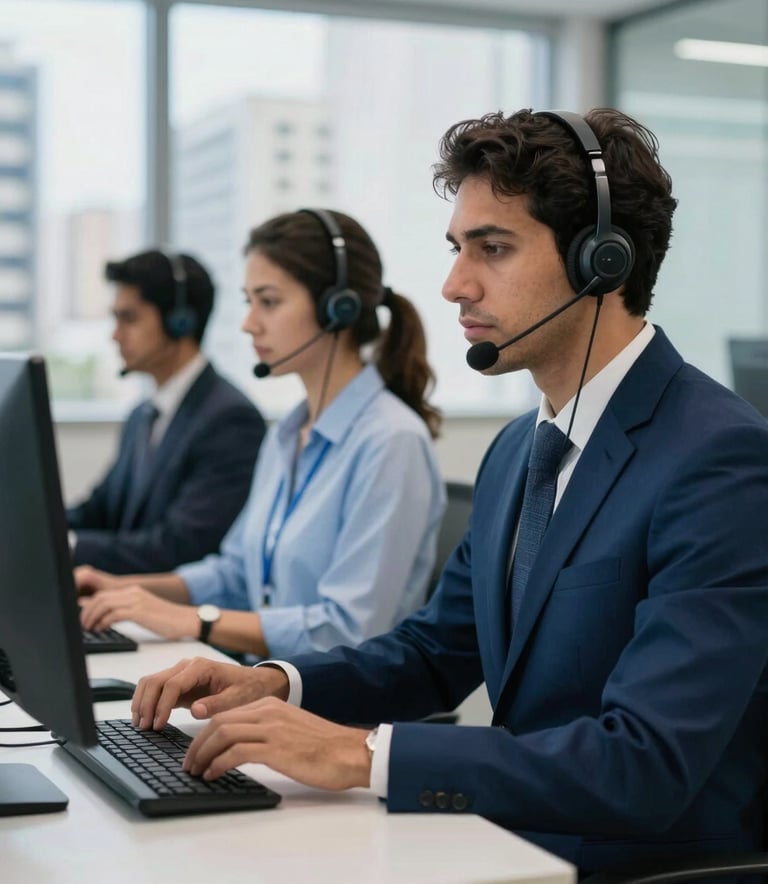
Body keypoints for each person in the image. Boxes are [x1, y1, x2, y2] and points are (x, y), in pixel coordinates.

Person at [130, 109, 768, 876]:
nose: (453, 284)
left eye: (492, 249)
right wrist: (277, 681)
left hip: (621, 863)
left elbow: (643, 764)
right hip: (504, 839)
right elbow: (435, 650)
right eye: (456, 249)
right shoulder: (517, 451)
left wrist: (362, 753)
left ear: (604, 261)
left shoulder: (719, 460)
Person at [77, 209, 445, 661]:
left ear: (337, 309)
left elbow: (349, 628)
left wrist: (195, 620)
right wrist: (129, 589)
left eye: (268, 302)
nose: (248, 323)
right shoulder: (287, 435)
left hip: (338, 712)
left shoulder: (391, 443)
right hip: (267, 687)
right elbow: (235, 574)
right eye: (248, 301)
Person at [67, 249, 266, 574]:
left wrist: (70, 545)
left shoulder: (230, 420)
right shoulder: (142, 415)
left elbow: (181, 546)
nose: (115, 335)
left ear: (180, 321)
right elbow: (100, 510)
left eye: (129, 319)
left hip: (178, 614)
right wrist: (30, 525)